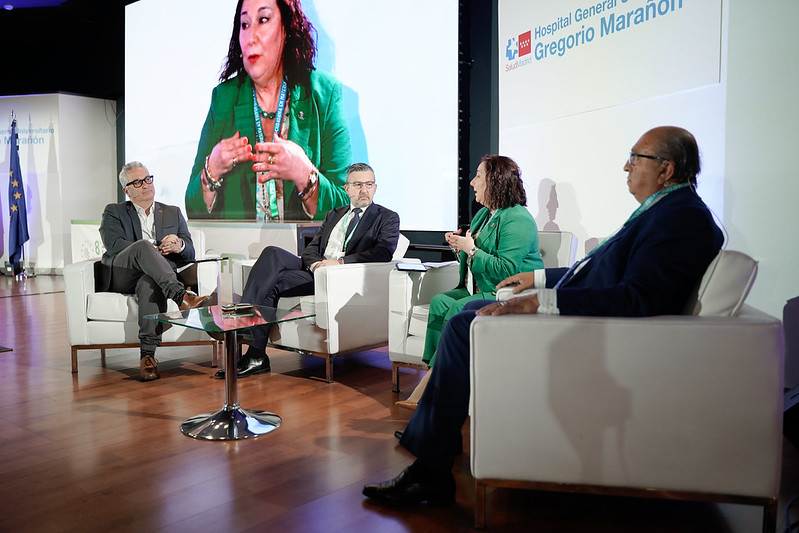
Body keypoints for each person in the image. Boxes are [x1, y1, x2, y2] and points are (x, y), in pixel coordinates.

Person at [363, 126, 725, 505]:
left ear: (666, 169)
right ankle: (436, 446)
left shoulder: (681, 218)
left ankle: (430, 468)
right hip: (582, 318)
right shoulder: (666, 211)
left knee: (463, 322)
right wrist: (537, 279)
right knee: (465, 314)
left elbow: (637, 298)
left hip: (590, 333)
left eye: (636, 158)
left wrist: (542, 301)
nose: (626, 166)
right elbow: (597, 272)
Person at [214, 162, 400, 379]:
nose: (364, 190)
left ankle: (252, 348)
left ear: (375, 188)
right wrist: (316, 264)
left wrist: (339, 263)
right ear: (347, 189)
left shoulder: (386, 217)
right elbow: (311, 249)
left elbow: (383, 252)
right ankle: (248, 328)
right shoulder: (335, 214)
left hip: (337, 277)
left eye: (369, 184)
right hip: (316, 268)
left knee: (273, 283)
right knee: (272, 253)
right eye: (358, 185)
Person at [395, 155, 544, 411]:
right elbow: (473, 256)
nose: (472, 182)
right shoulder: (484, 215)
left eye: (478, 176)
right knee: (441, 302)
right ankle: (437, 377)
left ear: (495, 182)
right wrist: (459, 247)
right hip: (481, 287)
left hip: (507, 292)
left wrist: (471, 249)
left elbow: (507, 270)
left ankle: (432, 391)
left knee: (458, 308)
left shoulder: (518, 218)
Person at [185, 0, 351, 221]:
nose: (250, 37)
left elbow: (346, 207)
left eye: (263, 20)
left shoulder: (325, 94)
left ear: (286, 28)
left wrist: (304, 174)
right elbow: (192, 208)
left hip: (304, 245)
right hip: (239, 244)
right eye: (245, 24)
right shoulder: (223, 98)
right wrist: (212, 169)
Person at [99, 162, 211, 382]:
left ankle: (147, 355)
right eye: (138, 182)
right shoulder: (114, 211)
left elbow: (190, 252)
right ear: (126, 190)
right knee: (143, 247)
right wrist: (156, 248)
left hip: (156, 276)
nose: (145, 185)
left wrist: (178, 245)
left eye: (148, 179)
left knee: (149, 282)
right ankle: (181, 296)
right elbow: (114, 245)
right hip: (124, 273)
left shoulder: (172, 212)